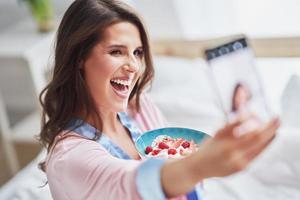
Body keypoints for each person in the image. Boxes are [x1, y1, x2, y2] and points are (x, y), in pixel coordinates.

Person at [38, 0, 280, 199]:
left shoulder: (140, 107)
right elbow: (129, 184)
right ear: (79, 57)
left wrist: (202, 159)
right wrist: (199, 165)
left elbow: (175, 168)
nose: (133, 66)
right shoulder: (69, 158)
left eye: (138, 53)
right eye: (116, 52)